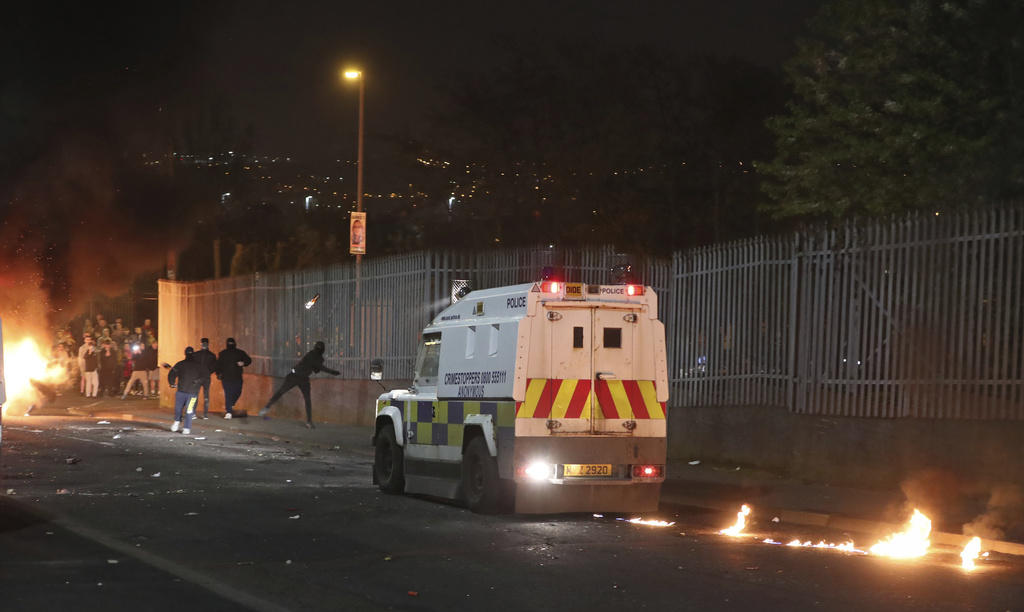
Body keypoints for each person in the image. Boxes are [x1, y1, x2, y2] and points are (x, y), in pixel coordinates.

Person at [259, 341, 339, 428]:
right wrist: (332, 372)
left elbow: (317, 368)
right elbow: (318, 368)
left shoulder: (311, 354)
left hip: (297, 376)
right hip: (299, 377)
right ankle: (308, 421)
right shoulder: (316, 357)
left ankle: (266, 407)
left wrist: (323, 369)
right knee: (306, 399)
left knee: (282, 392)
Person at [167, 347, 205, 435]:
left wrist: (172, 383)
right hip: (193, 392)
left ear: (185, 354)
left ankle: (177, 422)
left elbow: (172, 373)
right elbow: (204, 376)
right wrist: (198, 382)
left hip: (182, 391)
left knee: (178, 408)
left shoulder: (180, 364)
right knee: (189, 410)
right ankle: (186, 428)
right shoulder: (199, 365)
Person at [215, 337, 251, 419]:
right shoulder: (238, 353)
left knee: (234, 393)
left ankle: (230, 406)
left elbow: (217, 365)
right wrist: (244, 363)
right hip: (232, 377)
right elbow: (248, 360)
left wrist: (243, 363)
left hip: (230, 377)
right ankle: (229, 411)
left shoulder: (224, 353)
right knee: (233, 393)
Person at [193, 337, 218, 419]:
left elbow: (192, 364)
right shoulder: (212, 355)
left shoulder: (196, 354)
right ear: (208, 344)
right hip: (206, 377)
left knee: (194, 395)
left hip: (197, 377)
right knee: (206, 396)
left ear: (200, 344)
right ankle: (205, 414)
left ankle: (192, 413)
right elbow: (214, 367)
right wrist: (208, 372)